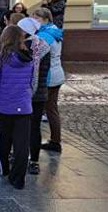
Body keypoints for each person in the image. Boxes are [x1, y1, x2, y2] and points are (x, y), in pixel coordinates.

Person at [0, 25, 34, 190]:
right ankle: (18, 179)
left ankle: (3, 167)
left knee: (4, 139)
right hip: (24, 107)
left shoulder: (0, 59)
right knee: (22, 144)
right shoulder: (28, 58)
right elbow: (31, 82)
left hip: (5, 107)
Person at [18, 17, 51, 175]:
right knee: (35, 127)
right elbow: (46, 69)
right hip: (40, 93)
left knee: (21, 127)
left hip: (24, 93)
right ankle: (34, 161)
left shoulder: (21, 46)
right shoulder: (44, 46)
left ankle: (21, 156)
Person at [33, 9, 65, 153]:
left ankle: (55, 141)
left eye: (37, 18)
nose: (35, 21)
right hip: (57, 72)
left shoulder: (45, 35)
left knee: (48, 109)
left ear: (45, 19)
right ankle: (55, 139)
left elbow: (37, 55)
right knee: (52, 109)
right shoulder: (54, 31)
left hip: (49, 75)